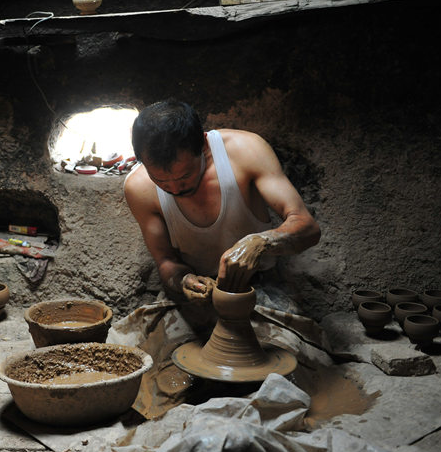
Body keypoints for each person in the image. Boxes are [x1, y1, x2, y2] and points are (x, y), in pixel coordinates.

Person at [124, 99, 320, 316]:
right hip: (198, 295)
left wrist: (261, 243)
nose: (175, 189)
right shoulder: (138, 187)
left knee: (291, 346)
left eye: (184, 176)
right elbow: (165, 260)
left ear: (204, 145)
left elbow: (308, 228)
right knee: (131, 342)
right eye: (160, 180)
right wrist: (183, 281)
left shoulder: (245, 151)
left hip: (258, 287)